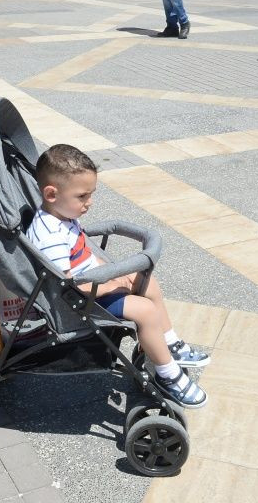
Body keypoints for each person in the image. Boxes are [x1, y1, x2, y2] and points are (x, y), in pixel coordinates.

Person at [28, 144, 209, 408]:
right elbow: (66, 284)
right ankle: (168, 377)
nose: (89, 203)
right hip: (80, 301)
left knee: (147, 282)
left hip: (92, 286)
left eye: (91, 194)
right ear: (51, 194)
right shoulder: (50, 236)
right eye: (82, 196)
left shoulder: (62, 216)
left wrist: (116, 275)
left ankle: (169, 344)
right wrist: (112, 282)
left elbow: (84, 257)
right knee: (145, 311)